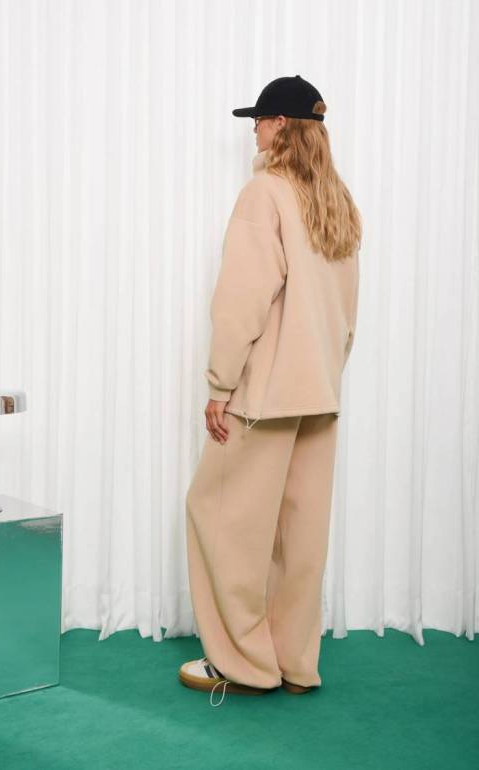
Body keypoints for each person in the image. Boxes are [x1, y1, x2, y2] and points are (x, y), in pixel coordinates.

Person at [179, 75, 361, 707]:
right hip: (319, 394)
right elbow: (347, 314)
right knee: (298, 537)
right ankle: (295, 662)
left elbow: (241, 302)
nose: (253, 129)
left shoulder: (265, 194)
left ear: (281, 125)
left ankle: (243, 662)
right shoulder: (335, 200)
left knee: (221, 518)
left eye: (258, 119)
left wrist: (220, 385)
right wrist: (325, 372)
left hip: (265, 397)